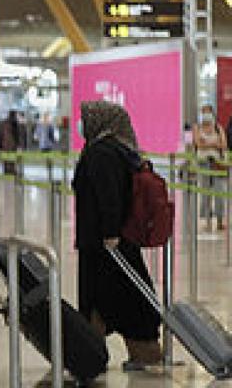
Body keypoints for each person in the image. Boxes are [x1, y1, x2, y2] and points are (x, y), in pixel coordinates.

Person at [73, 101, 162, 370]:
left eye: (86, 118)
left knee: (111, 297)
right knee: (108, 298)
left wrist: (110, 232)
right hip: (112, 240)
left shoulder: (101, 153)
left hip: (104, 242)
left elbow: (109, 196)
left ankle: (93, 356)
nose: (81, 124)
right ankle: (87, 356)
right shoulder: (119, 149)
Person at [192, 104, 227, 231]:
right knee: (205, 193)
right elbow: (198, 144)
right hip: (203, 163)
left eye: (208, 112)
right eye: (204, 112)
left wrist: (208, 143)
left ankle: (220, 220)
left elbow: (223, 145)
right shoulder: (197, 128)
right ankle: (206, 221)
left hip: (217, 163)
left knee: (219, 192)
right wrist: (214, 144)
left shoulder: (218, 128)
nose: (206, 115)